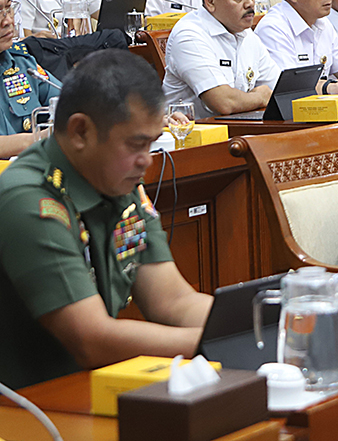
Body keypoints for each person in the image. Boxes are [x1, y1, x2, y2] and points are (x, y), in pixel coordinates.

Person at [0, 49, 213, 389]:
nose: (147, 161)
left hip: (91, 393)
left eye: (151, 144)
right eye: (136, 144)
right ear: (81, 131)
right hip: (26, 409)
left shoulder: (116, 180)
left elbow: (173, 300)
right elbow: (90, 339)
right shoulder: (30, 198)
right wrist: (213, 342)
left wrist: (253, 322)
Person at [162, 0, 279, 118]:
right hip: (194, 136)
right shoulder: (189, 35)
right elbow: (223, 102)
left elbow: (279, 90)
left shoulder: (247, 34)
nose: (250, 3)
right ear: (210, 1)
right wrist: (260, 97)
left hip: (241, 131)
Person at [0, 0, 60, 156]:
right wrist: (41, 138)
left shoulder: (20, 63)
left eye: (9, 8)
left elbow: (67, 99)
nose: (8, 20)